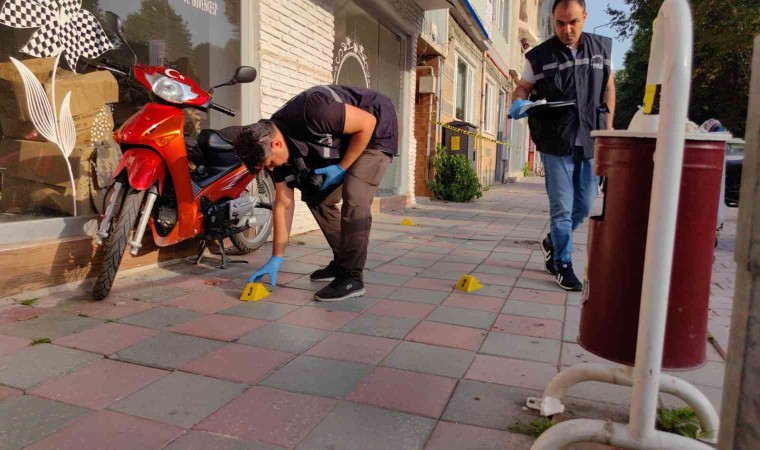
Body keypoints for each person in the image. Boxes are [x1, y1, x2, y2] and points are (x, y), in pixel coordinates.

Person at [232, 85, 397, 302]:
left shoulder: (312, 111)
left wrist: (342, 167)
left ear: (276, 144)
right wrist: (276, 257)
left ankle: (352, 277)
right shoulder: (274, 146)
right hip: (351, 137)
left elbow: (367, 123)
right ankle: (342, 261)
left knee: (355, 192)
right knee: (317, 196)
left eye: (269, 163)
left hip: (376, 127)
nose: (271, 169)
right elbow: (283, 203)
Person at [509, 0, 615, 291]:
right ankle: (562, 264)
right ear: (553, 21)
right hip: (555, 140)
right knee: (562, 208)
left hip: (591, 139)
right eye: (560, 23)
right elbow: (523, 87)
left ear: (585, 17)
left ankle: (551, 242)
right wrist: (518, 101)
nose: (567, 30)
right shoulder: (540, 56)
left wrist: (608, 127)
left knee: (585, 205)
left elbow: (608, 87)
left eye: (573, 22)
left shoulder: (601, 49)